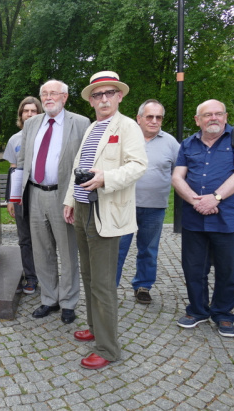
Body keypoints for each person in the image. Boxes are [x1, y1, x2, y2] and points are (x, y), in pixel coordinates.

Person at [63, 71, 147, 369]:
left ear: (119, 96)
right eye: (97, 95)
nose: (103, 99)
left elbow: (138, 166)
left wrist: (106, 178)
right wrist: (70, 200)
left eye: (109, 93)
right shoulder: (92, 128)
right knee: (88, 277)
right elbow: (79, 166)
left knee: (102, 283)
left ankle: (109, 348)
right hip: (84, 211)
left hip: (106, 214)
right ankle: (96, 328)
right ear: (91, 101)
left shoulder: (128, 127)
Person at [172, 99, 234, 338]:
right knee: (193, 267)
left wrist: (215, 198)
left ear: (226, 116)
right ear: (197, 120)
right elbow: (178, 177)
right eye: (207, 115)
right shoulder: (188, 144)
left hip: (229, 218)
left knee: (228, 269)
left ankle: (223, 314)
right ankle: (197, 311)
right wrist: (195, 200)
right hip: (194, 218)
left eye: (218, 113)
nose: (214, 118)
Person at [16, 80, 89, 323]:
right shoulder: (32, 124)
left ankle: (68, 302)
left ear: (65, 97)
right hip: (35, 194)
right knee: (42, 251)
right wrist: (18, 196)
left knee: (68, 252)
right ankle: (49, 299)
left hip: (64, 196)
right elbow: (23, 160)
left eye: (53, 94)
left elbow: (85, 164)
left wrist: (76, 200)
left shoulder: (80, 123)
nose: (48, 98)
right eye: (44, 94)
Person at [116, 100, 180, 304]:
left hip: (155, 208)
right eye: (149, 116)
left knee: (148, 250)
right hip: (124, 206)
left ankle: (143, 286)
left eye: (158, 117)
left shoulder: (171, 143)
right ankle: (109, 288)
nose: (154, 121)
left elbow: (179, 173)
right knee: (117, 249)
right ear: (139, 118)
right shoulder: (125, 139)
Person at [4, 96, 43, 294]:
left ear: (39, 113)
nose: (29, 114)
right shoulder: (14, 140)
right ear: (21, 115)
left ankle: (47, 276)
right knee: (25, 239)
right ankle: (31, 277)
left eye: (33, 111)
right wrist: (11, 199)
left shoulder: (47, 136)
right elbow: (13, 169)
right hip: (21, 196)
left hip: (42, 193)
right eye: (25, 111)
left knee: (44, 239)